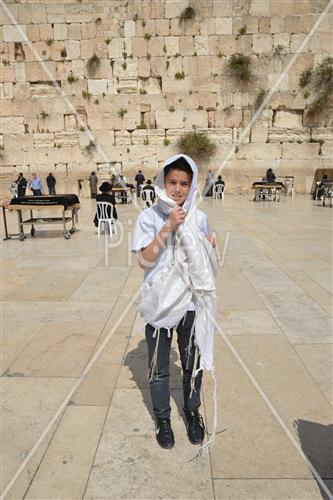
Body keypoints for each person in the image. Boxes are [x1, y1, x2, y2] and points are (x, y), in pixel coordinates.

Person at [132, 154, 217, 450]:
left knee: (192, 364)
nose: (178, 189)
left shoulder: (199, 217)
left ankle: (193, 413)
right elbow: (144, 260)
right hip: (159, 306)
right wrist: (167, 227)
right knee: (159, 368)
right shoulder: (148, 217)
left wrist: (209, 245)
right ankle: (163, 418)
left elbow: (204, 260)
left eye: (184, 183)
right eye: (172, 182)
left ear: (192, 186)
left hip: (191, 305)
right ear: (162, 183)